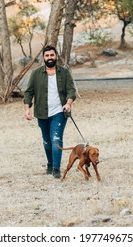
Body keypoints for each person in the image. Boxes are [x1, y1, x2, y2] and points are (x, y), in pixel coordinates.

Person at [24, 45, 76, 178]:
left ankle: (56, 169)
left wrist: (68, 104)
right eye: (47, 56)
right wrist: (27, 109)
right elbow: (29, 92)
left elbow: (71, 90)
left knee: (56, 139)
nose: (50, 58)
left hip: (59, 112)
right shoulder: (36, 73)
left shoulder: (64, 72)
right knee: (47, 142)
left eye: (52, 55)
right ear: (43, 58)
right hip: (42, 113)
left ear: (56, 56)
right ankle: (50, 163)